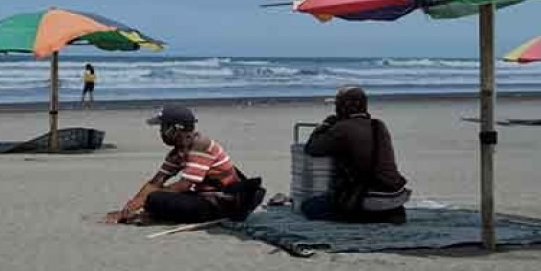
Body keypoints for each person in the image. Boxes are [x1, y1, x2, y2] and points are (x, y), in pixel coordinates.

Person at [106, 104, 264, 225]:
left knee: (156, 199)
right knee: (155, 198)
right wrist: (130, 206)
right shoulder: (177, 152)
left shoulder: (201, 145)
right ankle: (149, 212)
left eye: (163, 128)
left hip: (223, 202)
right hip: (205, 197)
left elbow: (185, 185)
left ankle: (151, 213)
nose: (160, 132)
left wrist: (146, 201)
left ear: (176, 129)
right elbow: (156, 181)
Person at [301, 86, 411, 224]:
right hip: (395, 195)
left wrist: (324, 126)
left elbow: (312, 148)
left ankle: (368, 217)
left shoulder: (342, 128)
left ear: (342, 107)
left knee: (308, 207)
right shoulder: (379, 125)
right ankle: (387, 213)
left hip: (368, 197)